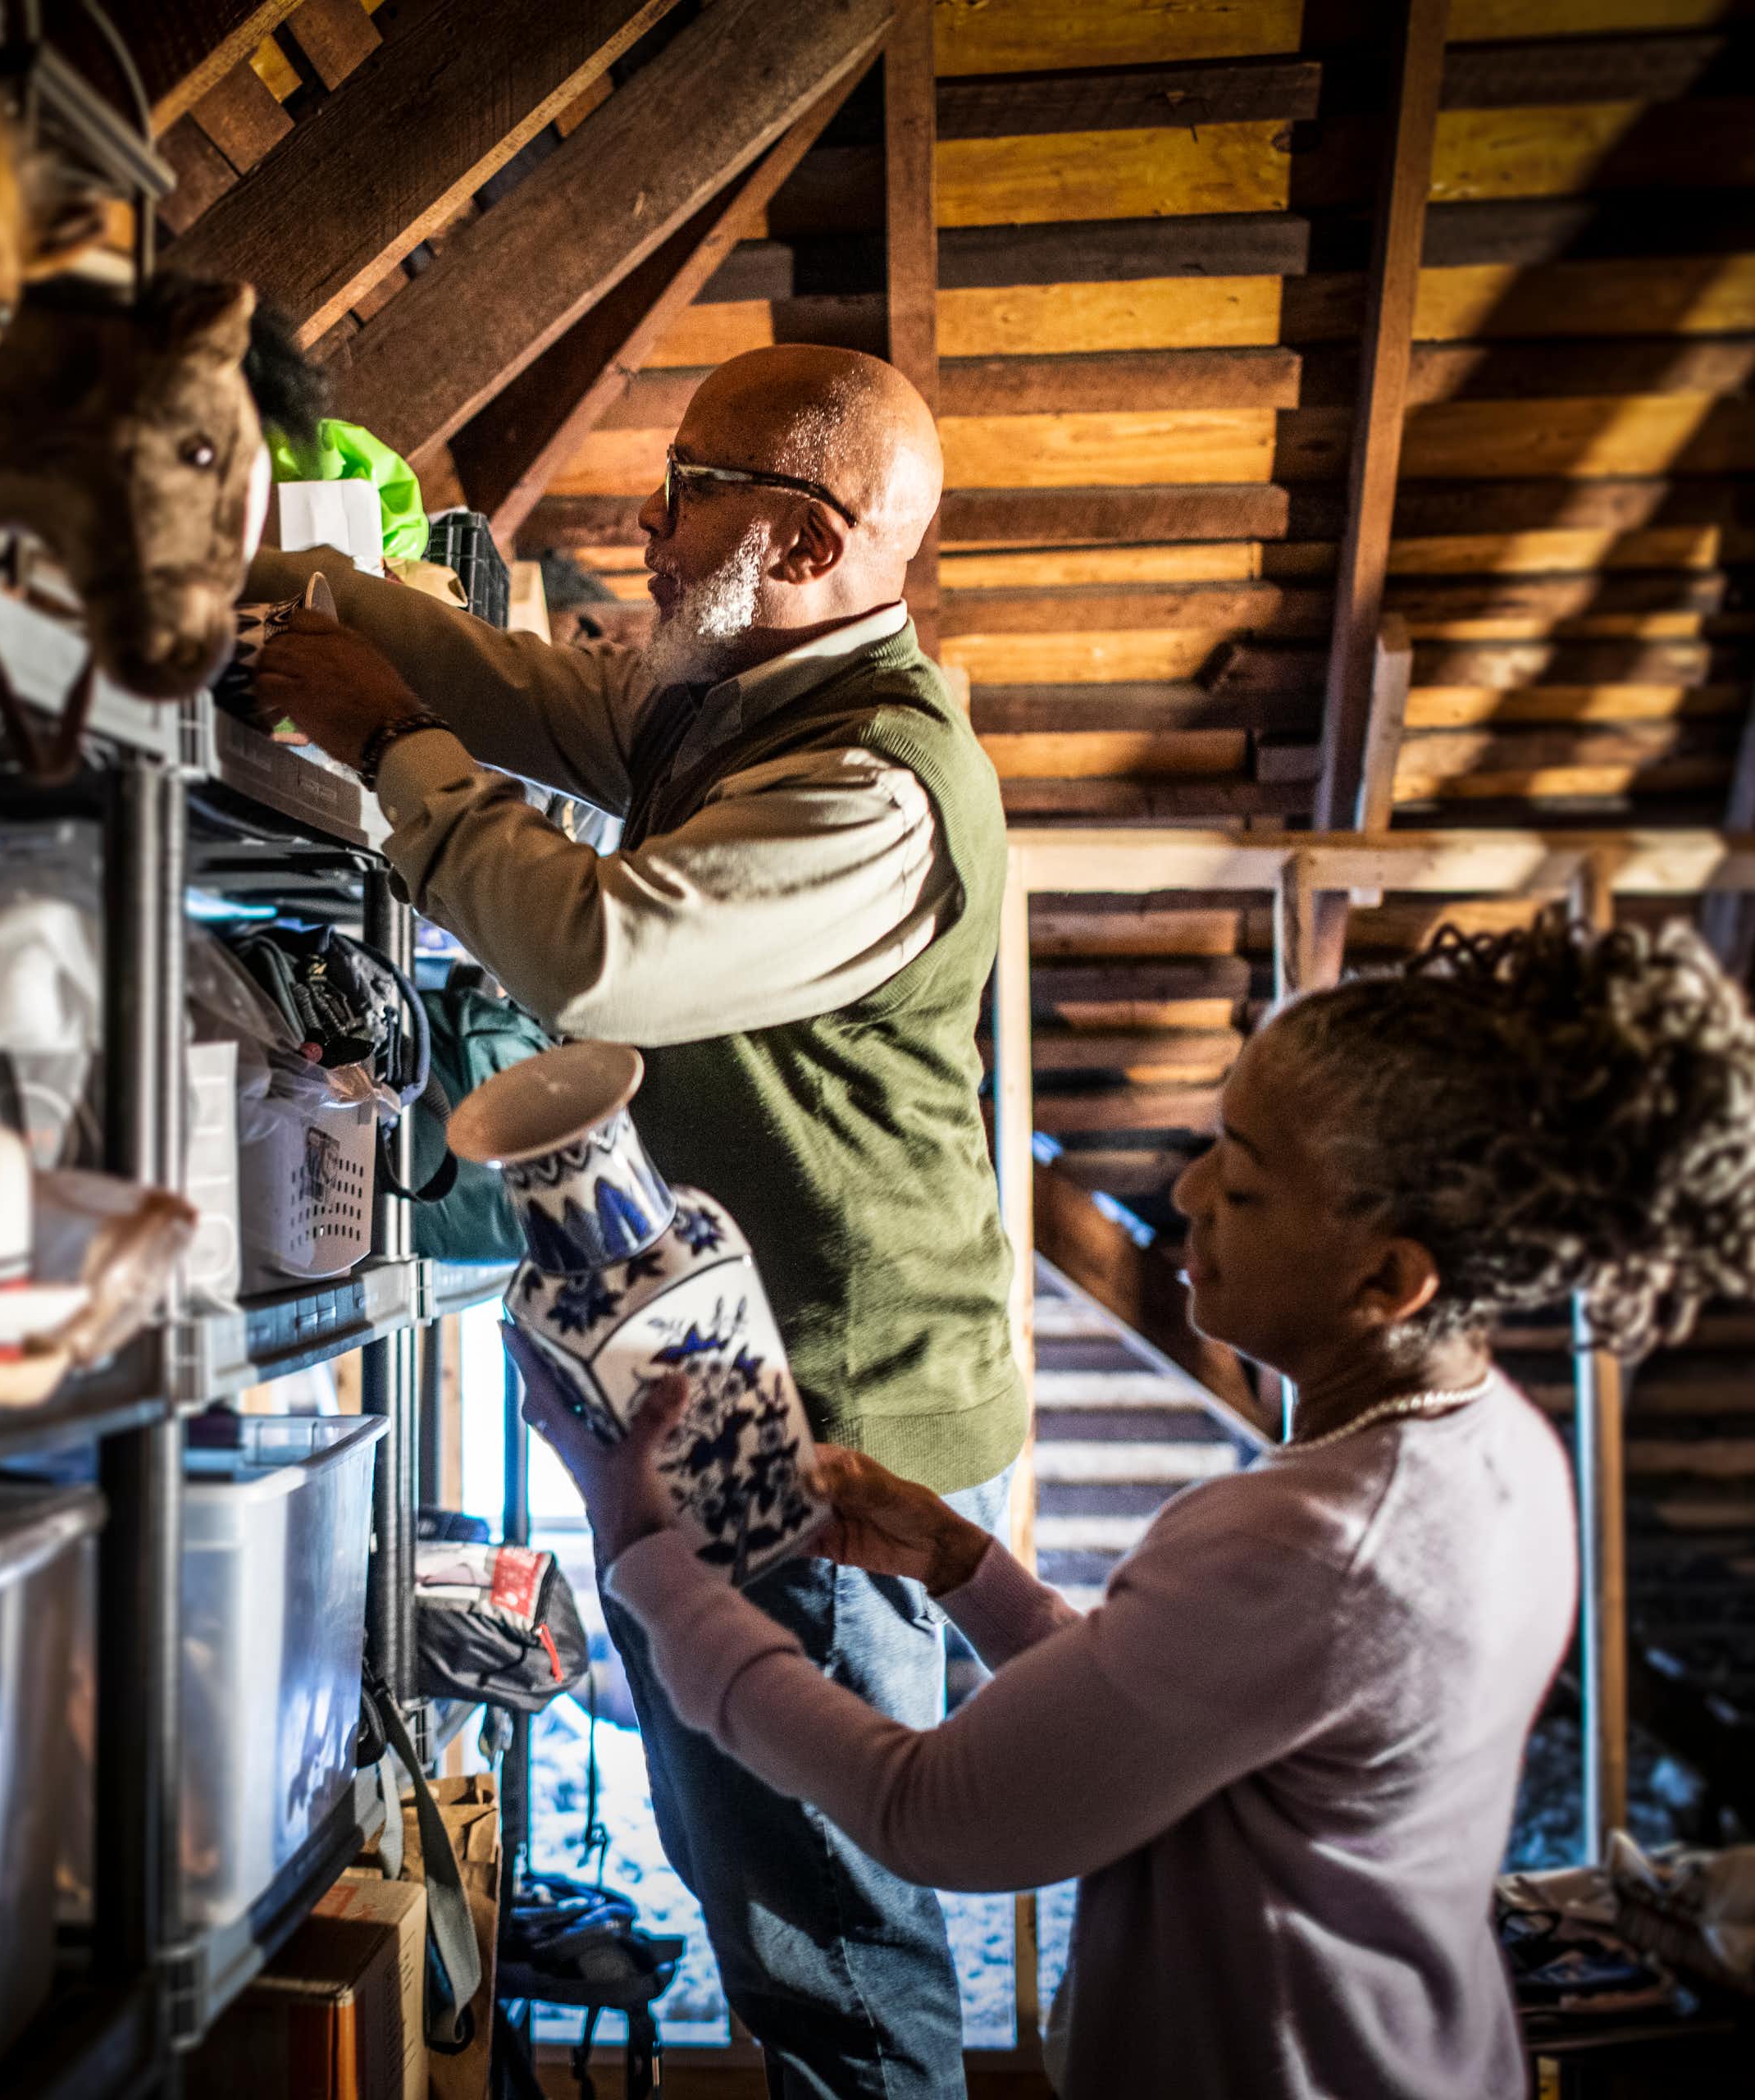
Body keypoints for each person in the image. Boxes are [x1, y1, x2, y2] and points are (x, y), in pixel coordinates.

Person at [512, 917, 1755, 2100]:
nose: (1192, 1192)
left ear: (1388, 1277)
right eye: (1217, 1138)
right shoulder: (1502, 1449)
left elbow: (935, 1814)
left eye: (1249, 1183)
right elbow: (1189, 1721)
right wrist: (966, 1568)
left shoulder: (1309, 1539)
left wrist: (647, 1560)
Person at [254, 345, 1027, 2098]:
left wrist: (383, 736)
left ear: (810, 536)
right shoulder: (740, 688)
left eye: (689, 487)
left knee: (821, 1919)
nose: (646, 524)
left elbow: (604, 952)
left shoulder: (871, 787)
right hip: (736, 1377)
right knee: (751, 1864)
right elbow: (519, 685)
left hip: (828, 1412)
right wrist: (287, 579)